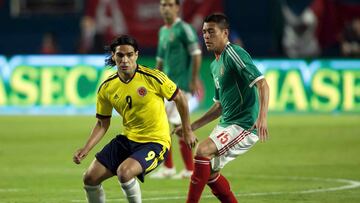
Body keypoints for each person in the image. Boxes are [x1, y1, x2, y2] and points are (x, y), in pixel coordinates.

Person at [73, 35, 197, 203]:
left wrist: (187, 130)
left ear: (136, 55)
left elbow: (180, 98)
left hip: (156, 142)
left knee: (124, 172)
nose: (125, 60)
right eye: (120, 55)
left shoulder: (153, 78)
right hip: (128, 140)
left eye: (129, 55)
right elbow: (103, 123)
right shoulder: (107, 87)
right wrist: (86, 148)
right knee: (89, 178)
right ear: (113, 56)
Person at [175, 13, 270, 202]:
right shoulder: (214, 65)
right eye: (204, 32)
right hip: (227, 123)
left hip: (244, 125)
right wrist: (191, 126)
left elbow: (262, 83)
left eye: (211, 31)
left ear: (225, 33)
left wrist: (262, 117)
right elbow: (219, 107)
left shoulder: (234, 53)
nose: (206, 36)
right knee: (208, 173)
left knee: (202, 151)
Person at [150, 0, 202, 179]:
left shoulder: (184, 29)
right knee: (173, 125)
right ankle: (184, 168)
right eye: (163, 4)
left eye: (170, 4)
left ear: (177, 7)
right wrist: (154, 82)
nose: (166, 8)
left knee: (169, 125)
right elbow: (160, 60)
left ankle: (176, 168)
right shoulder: (163, 31)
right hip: (166, 86)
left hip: (180, 86)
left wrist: (194, 78)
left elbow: (196, 54)